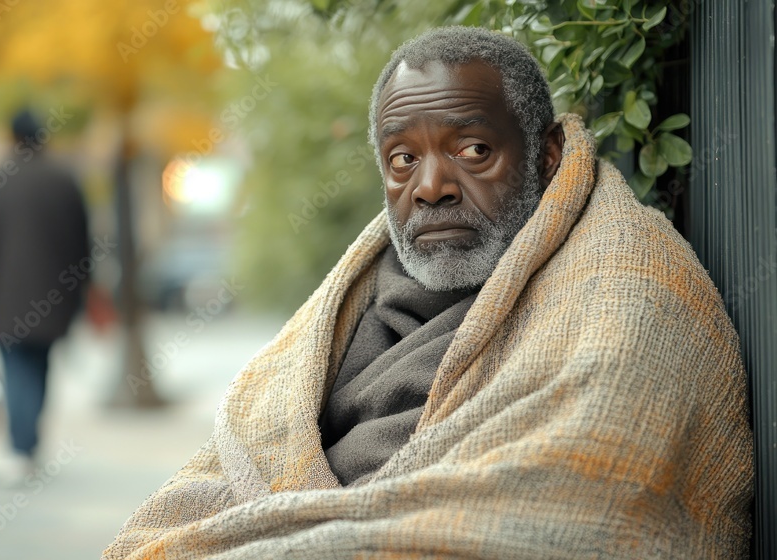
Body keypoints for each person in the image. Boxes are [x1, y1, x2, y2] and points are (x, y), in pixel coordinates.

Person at [104, 27, 753, 558]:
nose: (431, 185)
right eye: (402, 159)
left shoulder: (626, 289)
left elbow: (577, 511)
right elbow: (221, 481)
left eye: (472, 150)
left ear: (547, 153)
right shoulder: (351, 307)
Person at [0, 109, 90, 485]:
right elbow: (83, 247)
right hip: (54, 303)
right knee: (38, 371)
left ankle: (20, 449)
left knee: (17, 372)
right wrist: (80, 296)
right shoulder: (64, 181)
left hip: (3, 304)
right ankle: (29, 444)